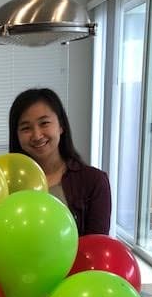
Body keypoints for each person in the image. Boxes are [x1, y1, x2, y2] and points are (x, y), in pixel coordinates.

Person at [9, 87, 111, 235]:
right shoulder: (7, 184)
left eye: (44, 123)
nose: (37, 135)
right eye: (26, 128)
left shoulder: (94, 181)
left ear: (61, 126)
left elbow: (97, 245)